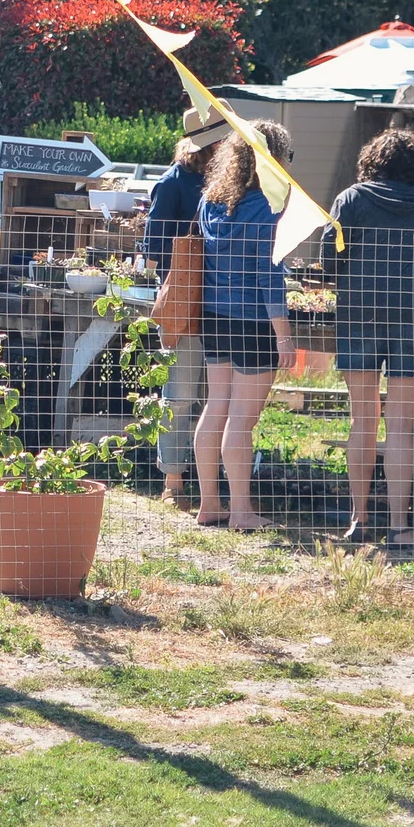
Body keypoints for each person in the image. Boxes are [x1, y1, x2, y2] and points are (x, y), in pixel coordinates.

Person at [326, 129, 414, 547]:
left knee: (363, 422)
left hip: (359, 315)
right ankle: (401, 528)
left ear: (374, 159)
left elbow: (327, 261)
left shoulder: (350, 199)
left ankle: (358, 521)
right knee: (400, 427)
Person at [191, 120, 296, 531]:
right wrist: (284, 336)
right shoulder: (268, 206)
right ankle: (241, 512)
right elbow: (269, 276)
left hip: (214, 317)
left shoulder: (210, 200)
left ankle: (209, 505)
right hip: (253, 321)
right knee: (241, 419)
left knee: (216, 407)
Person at [142, 134, 215, 505]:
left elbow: (152, 242)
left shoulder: (222, 182)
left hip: (216, 301)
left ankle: (201, 481)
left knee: (204, 396)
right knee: (182, 393)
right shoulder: (174, 182)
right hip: (185, 300)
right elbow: (154, 243)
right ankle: (173, 479)